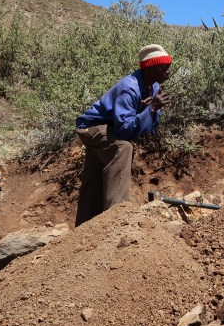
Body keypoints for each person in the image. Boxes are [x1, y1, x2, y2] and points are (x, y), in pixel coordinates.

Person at [73, 44, 172, 225]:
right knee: (122, 147)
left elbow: (151, 124)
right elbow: (124, 130)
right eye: (163, 67)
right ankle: (116, 217)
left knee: (94, 175)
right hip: (92, 127)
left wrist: (148, 110)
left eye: (169, 66)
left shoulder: (154, 86)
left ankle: (84, 226)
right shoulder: (129, 88)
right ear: (150, 67)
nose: (168, 71)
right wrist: (150, 108)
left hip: (109, 128)